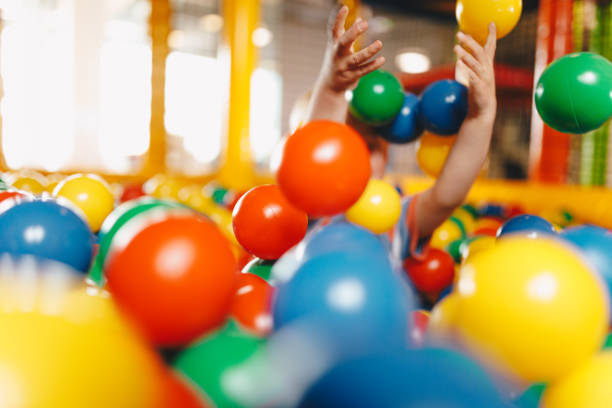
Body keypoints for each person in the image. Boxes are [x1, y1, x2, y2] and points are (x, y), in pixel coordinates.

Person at [305, 5, 498, 261]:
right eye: (346, 146)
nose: (357, 159)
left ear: (386, 157)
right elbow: (314, 148)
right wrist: (331, 88)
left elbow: (446, 196)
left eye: (370, 146)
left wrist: (480, 118)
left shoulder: (396, 220)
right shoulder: (314, 212)